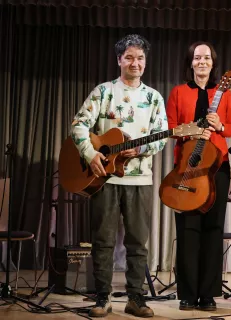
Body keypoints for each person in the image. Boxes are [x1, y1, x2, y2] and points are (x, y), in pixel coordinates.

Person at [71, 34, 167, 318]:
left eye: (140, 58)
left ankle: (136, 298)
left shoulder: (154, 98)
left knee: (138, 242)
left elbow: (160, 138)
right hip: (105, 179)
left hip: (140, 180)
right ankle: (102, 298)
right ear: (119, 60)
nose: (135, 63)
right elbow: (79, 125)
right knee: (103, 240)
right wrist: (91, 154)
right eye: (129, 58)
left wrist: (140, 149)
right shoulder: (103, 92)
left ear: (145, 62)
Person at [166, 41, 231, 311]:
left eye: (207, 57)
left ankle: (208, 294)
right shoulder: (178, 92)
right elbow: (171, 129)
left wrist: (219, 125)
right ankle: (187, 293)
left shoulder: (224, 94)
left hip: (217, 167)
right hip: (186, 167)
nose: (202, 62)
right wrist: (194, 131)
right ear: (191, 62)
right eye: (197, 58)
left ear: (213, 62)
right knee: (188, 230)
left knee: (213, 228)